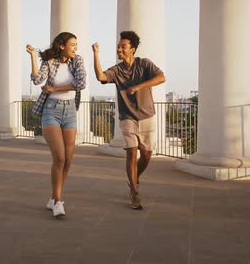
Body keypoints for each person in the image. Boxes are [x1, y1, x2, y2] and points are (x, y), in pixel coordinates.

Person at [92, 31, 165, 209]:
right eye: (118, 46)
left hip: (147, 115)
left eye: (123, 46)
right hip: (127, 117)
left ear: (132, 49)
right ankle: (134, 191)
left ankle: (134, 178)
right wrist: (95, 54)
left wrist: (139, 86)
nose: (119, 49)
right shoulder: (117, 70)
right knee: (132, 153)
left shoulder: (144, 64)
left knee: (146, 155)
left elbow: (161, 77)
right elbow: (101, 77)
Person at [27, 31, 86, 218]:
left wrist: (55, 88)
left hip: (69, 111)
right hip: (50, 109)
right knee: (59, 158)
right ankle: (57, 201)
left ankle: (54, 197)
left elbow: (81, 83)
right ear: (62, 46)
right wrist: (33, 58)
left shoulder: (77, 61)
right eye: (73, 45)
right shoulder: (50, 62)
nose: (76, 48)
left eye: (76, 45)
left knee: (68, 159)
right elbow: (37, 80)